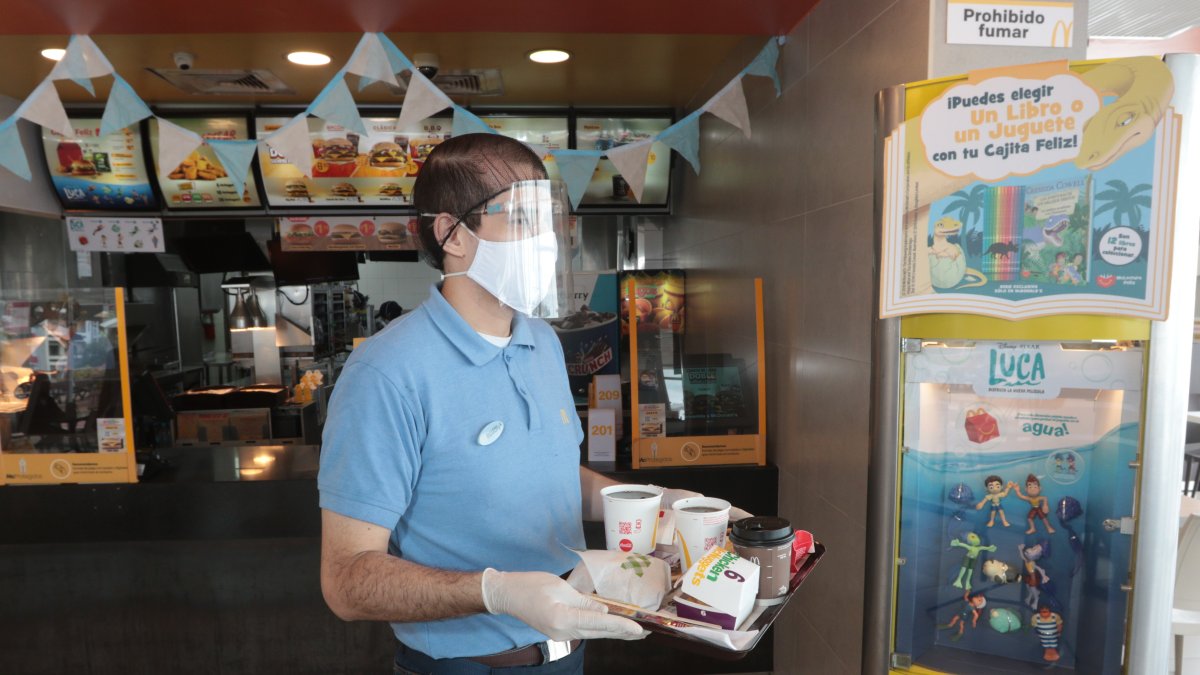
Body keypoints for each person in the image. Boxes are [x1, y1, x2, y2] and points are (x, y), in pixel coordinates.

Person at [318, 134, 742, 674]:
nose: (545, 240)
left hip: (570, 653)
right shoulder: (387, 372)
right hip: (468, 666)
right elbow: (347, 581)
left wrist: (656, 504)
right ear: (452, 234)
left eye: (547, 219)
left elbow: (554, 476)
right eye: (521, 219)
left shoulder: (539, 340)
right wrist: (497, 593)